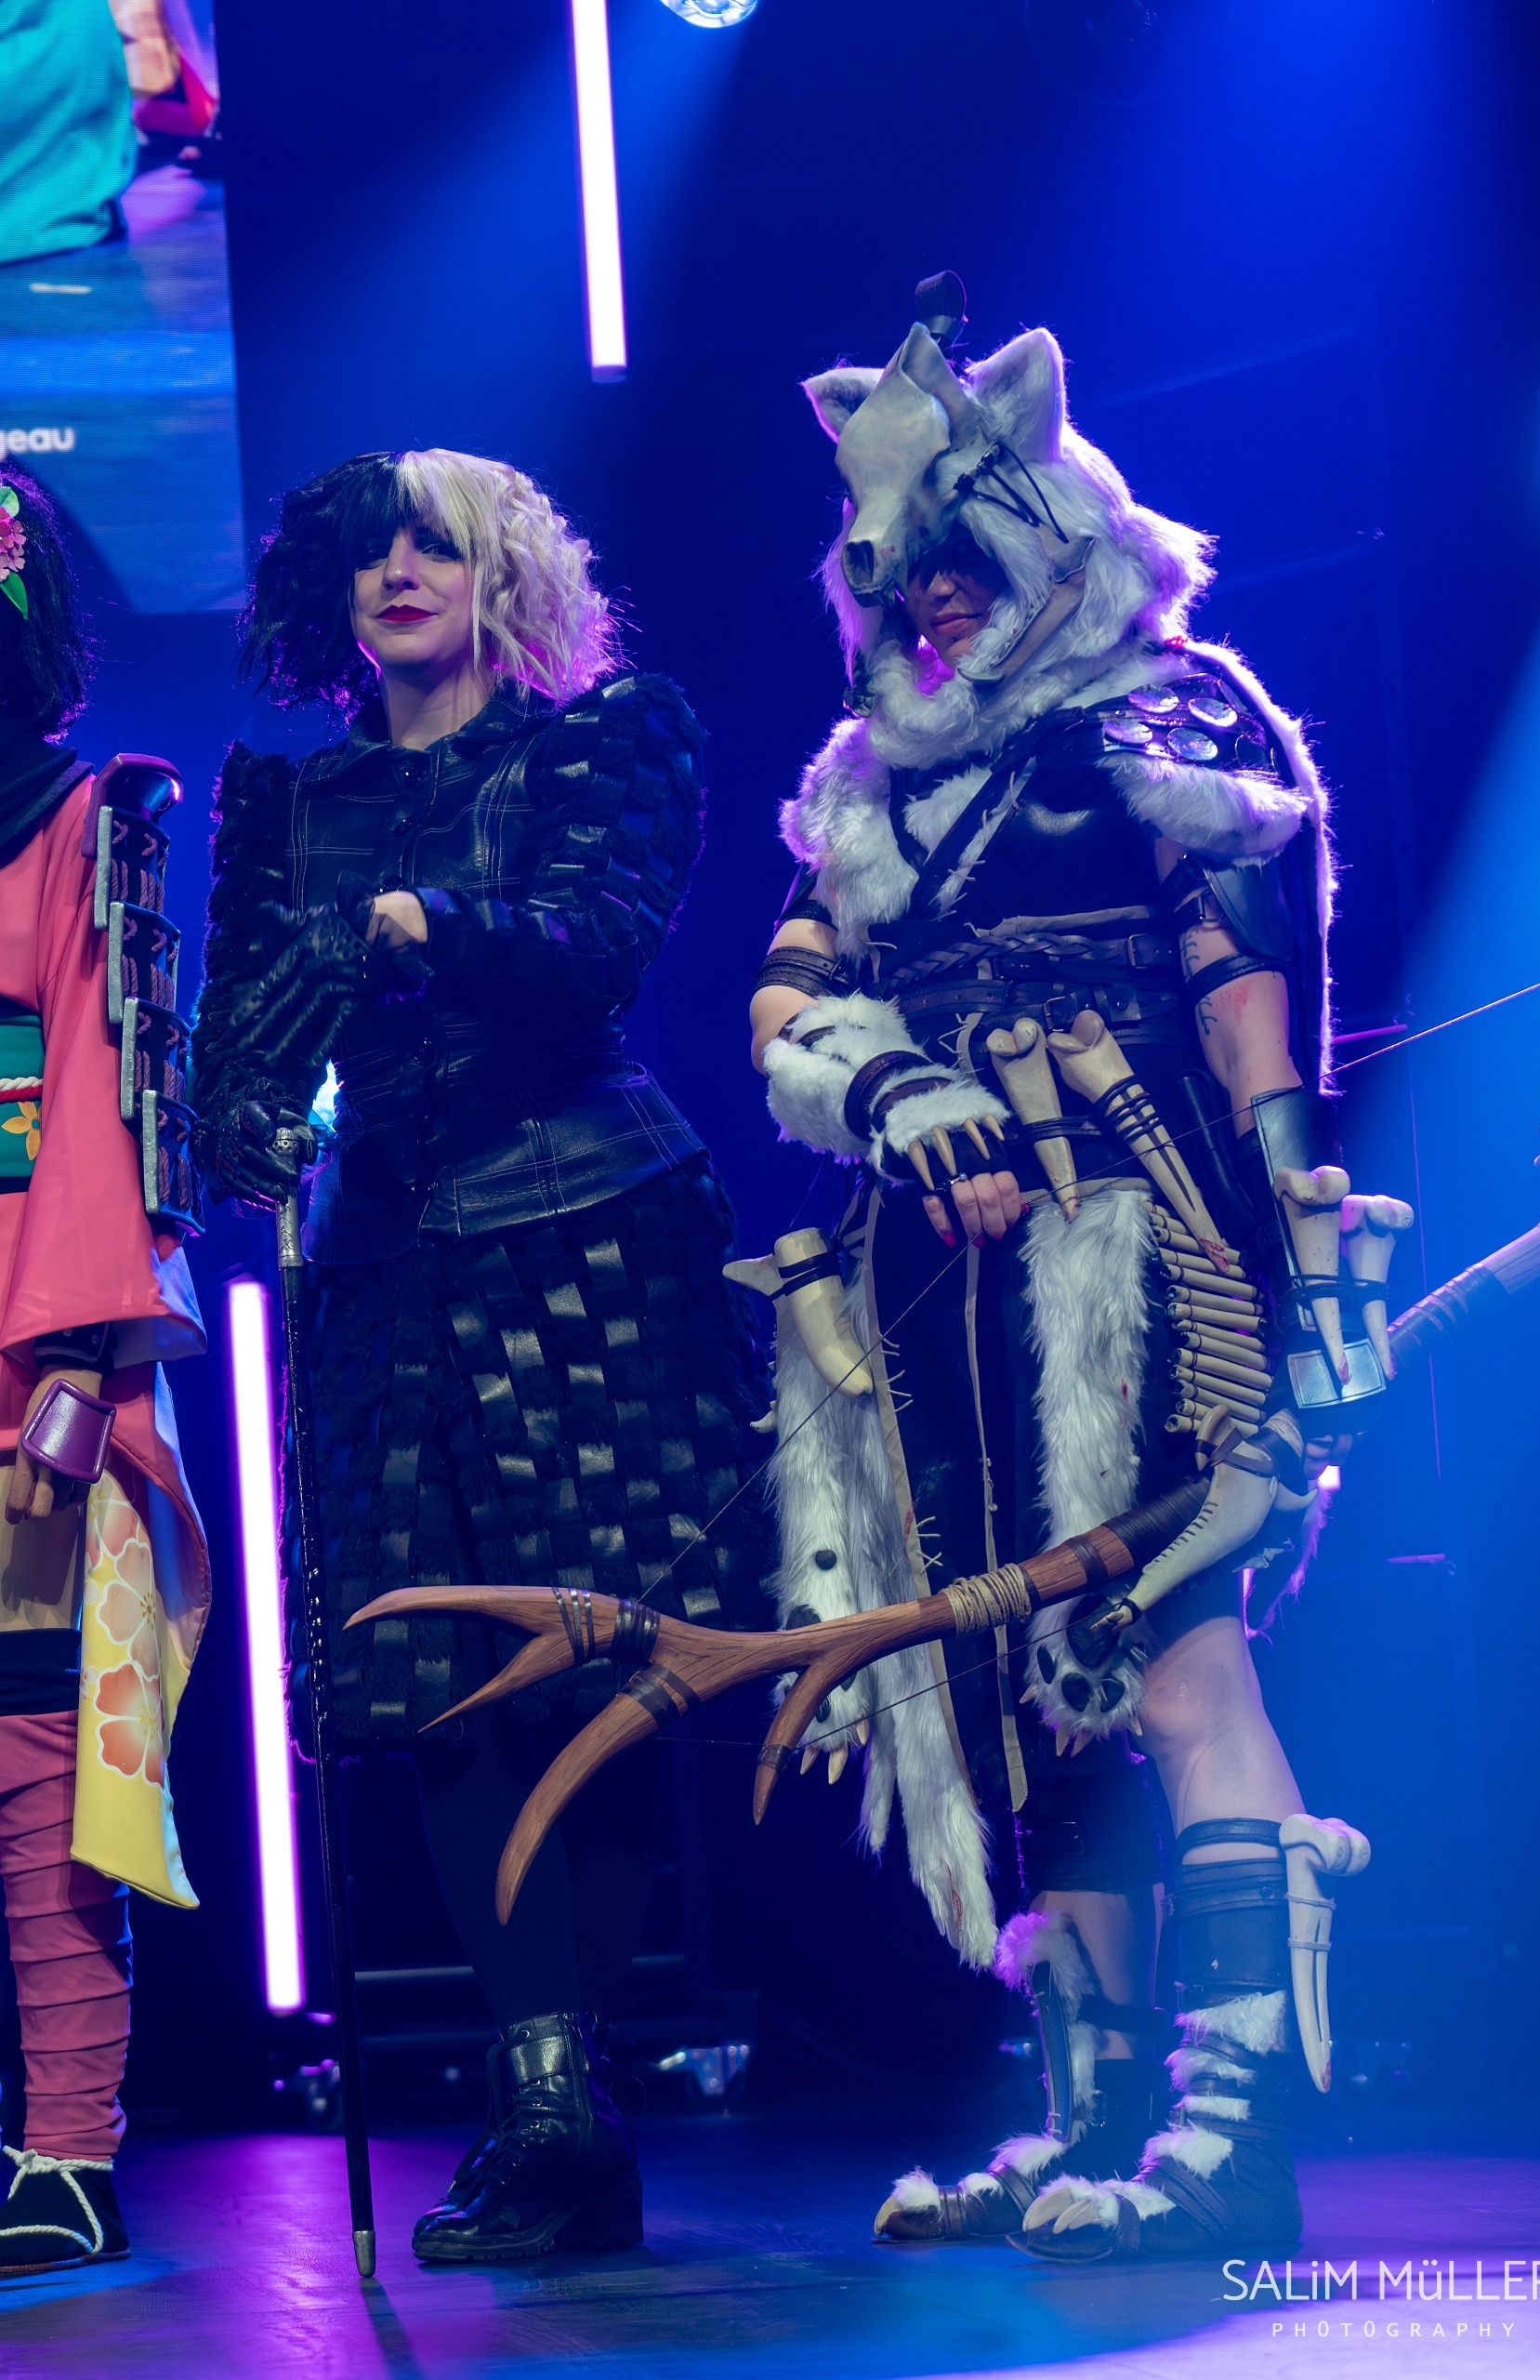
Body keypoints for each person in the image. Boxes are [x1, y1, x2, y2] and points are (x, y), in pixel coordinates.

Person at [748, 279, 1398, 2260]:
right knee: (1027, 1691)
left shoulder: (1165, 715)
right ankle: (1095, 2111)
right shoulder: (872, 778)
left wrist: (1307, 1247)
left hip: (1152, 1253)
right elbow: (788, 995)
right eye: (906, 575)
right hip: (940, 1300)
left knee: (1177, 1659)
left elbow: (1244, 999)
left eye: (964, 563)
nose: (933, 604)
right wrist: (889, 1085)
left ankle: (1233, 2120)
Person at [191, 447, 770, 2264]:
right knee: (434, 1686)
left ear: (500, 566)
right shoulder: (293, 802)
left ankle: (572, 2115)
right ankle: (546, 2117)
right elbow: (233, 1048)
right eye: (370, 549)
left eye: (434, 542)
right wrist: (243, 1120)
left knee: (584, 1674)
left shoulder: (603, 743)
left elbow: (597, 949)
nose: (399, 570)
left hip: (586, 1239)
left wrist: (423, 926)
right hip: (385, 1270)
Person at [0, 469, 207, 2272]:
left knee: (37, 1739)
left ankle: (67, 2149)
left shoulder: (88, 820)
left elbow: (103, 1095)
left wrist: (74, 1361)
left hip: (28, 1332)